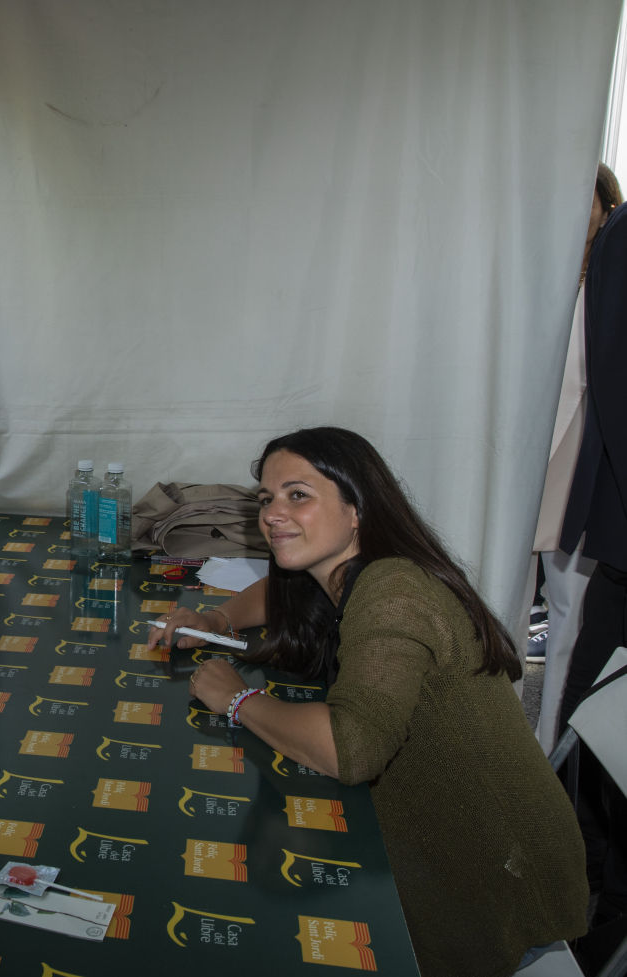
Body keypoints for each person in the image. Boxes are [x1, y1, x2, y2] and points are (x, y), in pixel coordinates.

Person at [150, 427, 587, 976]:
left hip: (495, 876)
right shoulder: (345, 571)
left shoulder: (394, 595)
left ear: (357, 509)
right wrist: (214, 620)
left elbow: (347, 749)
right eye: (267, 499)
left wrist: (238, 701)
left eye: (298, 495)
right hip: (456, 841)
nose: (273, 513)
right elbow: (276, 592)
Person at [532, 163, 620, 750]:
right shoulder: (539, 273)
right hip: (530, 455)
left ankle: (549, 744)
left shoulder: (611, 265)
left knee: (570, 611)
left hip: (582, 457)